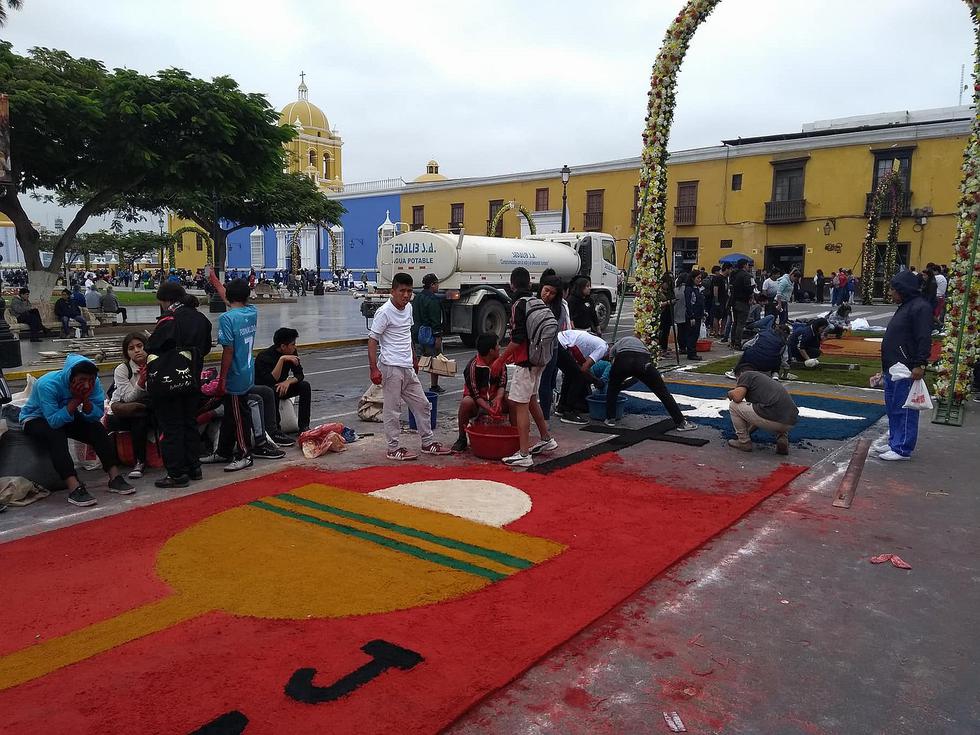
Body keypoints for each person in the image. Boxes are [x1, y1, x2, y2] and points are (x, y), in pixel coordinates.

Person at [19, 354, 136, 506]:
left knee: (97, 429)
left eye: (90, 380)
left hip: (68, 413)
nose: (87, 385)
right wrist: (76, 400)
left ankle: (114, 477)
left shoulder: (93, 384)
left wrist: (85, 400)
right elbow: (54, 421)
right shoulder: (47, 384)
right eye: (82, 380)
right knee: (56, 434)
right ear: (70, 377)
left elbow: (96, 414)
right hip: (36, 418)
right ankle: (73, 486)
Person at [202, 276, 285, 471]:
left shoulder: (227, 318)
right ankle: (223, 451)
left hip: (235, 374)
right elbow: (230, 299)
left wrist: (222, 379)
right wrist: (214, 280)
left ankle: (244, 453)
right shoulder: (251, 312)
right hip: (248, 370)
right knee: (231, 414)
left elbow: (228, 351)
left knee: (239, 416)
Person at [368, 272, 453, 461]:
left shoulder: (408, 309)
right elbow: (373, 340)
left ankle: (428, 443)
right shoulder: (384, 312)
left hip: (407, 366)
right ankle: (393, 448)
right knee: (393, 409)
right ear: (393, 291)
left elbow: (407, 336)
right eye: (402, 291)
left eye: (408, 291)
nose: (405, 295)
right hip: (390, 367)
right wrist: (373, 368)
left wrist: (414, 359)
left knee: (422, 405)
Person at [145, 286, 213, 487]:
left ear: (166, 300)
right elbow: (206, 348)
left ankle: (176, 473)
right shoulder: (202, 320)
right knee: (189, 423)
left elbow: (152, 346)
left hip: (169, 382)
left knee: (171, 427)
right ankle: (194, 467)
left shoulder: (169, 319)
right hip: (192, 380)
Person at [492, 267, 558, 467]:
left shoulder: (518, 305)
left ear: (511, 285)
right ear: (530, 284)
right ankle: (547, 439)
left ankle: (523, 453)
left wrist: (501, 359)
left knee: (519, 405)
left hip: (527, 362)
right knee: (531, 399)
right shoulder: (537, 302)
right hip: (541, 359)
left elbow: (518, 338)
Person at [872, 271, 934, 462]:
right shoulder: (906, 306)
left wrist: (919, 363)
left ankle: (902, 448)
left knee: (905, 408)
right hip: (894, 367)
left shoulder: (920, 307)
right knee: (893, 407)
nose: (891, 293)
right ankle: (894, 441)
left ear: (903, 289)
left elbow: (924, 338)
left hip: (906, 367)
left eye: (893, 289)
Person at [604, 333, 697, 432]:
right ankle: (681, 422)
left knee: (612, 388)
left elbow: (612, 361)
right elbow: (640, 369)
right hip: (643, 363)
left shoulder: (618, 344)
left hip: (623, 361)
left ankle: (610, 419)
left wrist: (617, 382)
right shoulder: (642, 345)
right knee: (662, 392)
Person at [452, 333, 511, 452]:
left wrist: (498, 399)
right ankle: (462, 439)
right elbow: (475, 394)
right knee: (466, 402)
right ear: (491, 351)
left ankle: (515, 435)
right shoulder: (472, 367)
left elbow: (502, 383)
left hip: (495, 399)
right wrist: (488, 408)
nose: (500, 348)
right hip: (478, 403)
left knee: (512, 400)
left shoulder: (500, 363)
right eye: (498, 345)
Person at [726, 363, 799, 455]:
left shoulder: (746, 375)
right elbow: (757, 416)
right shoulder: (764, 382)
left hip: (772, 415)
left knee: (734, 406)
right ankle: (782, 438)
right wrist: (748, 432)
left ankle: (743, 442)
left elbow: (737, 398)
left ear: (740, 374)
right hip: (789, 422)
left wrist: (731, 393)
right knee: (774, 409)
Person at [107, 333, 153, 480]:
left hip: (148, 408)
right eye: (131, 348)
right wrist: (142, 381)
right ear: (127, 353)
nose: (137, 351)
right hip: (124, 412)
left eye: (140, 346)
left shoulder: (155, 364)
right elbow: (127, 398)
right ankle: (140, 461)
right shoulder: (122, 369)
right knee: (138, 418)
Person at [255, 327, 313, 441]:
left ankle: (304, 426)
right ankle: (276, 429)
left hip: (282, 386)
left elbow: (299, 374)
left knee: (304, 386)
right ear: (283, 346)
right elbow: (270, 380)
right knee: (272, 390)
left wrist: (288, 382)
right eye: (293, 344)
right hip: (265, 390)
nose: (295, 347)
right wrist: (282, 360)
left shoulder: (292, 353)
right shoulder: (264, 357)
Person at [554, 328, 608, 425]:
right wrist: (596, 381)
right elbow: (584, 369)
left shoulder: (593, 345)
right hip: (561, 344)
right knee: (579, 377)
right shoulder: (603, 347)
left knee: (570, 374)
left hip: (557, 341)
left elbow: (580, 364)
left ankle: (562, 407)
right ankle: (569, 412)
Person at [537, 273, 569, 419]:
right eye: (546, 290)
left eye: (552, 293)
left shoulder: (559, 308)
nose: (548, 295)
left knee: (546, 381)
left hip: (550, 349)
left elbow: (554, 329)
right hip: (536, 349)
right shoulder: (534, 302)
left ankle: (544, 416)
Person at [412, 273, 445, 394]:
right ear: (432, 285)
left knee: (416, 361)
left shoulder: (417, 298)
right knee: (434, 361)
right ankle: (434, 385)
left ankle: (412, 386)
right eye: (437, 284)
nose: (438, 286)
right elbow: (435, 320)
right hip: (429, 335)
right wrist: (437, 337)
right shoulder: (433, 300)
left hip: (416, 334)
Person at [729, 259, 754, 349]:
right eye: (747, 265)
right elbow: (749, 289)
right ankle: (737, 343)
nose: (748, 266)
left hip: (734, 300)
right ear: (744, 265)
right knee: (741, 323)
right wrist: (752, 291)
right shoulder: (746, 276)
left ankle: (732, 341)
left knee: (735, 323)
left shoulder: (734, 274)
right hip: (743, 301)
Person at [684, 270, 705, 361]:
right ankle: (691, 353)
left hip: (698, 314)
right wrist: (691, 316)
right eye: (698, 278)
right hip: (692, 315)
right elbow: (689, 303)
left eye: (700, 278)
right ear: (693, 278)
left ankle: (692, 352)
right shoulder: (689, 289)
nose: (699, 280)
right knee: (692, 334)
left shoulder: (696, 288)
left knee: (695, 334)